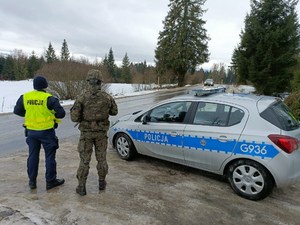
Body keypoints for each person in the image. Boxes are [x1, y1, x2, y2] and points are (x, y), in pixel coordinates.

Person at [70, 69, 118, 196]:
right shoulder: (107, 97)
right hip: (101, 134)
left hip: (86, 134)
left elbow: (74, 117)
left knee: (84, 161)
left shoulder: (81, 97)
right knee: (101, 159)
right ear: (100, 82)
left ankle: (81, 187)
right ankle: (102, 183)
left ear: (88, 81)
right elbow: (114, 112)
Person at [13, 75, 66, 190]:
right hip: (47, 132)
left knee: (32, 156)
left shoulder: (25, 97)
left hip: (31, 132)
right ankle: (50, 181)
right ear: (45, 86)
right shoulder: (49, 98)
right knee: (50, 157)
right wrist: (51, 115)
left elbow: (17, 111)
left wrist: (30, 115)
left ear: (34, 86)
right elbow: (61, 114)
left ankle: (32, 182)